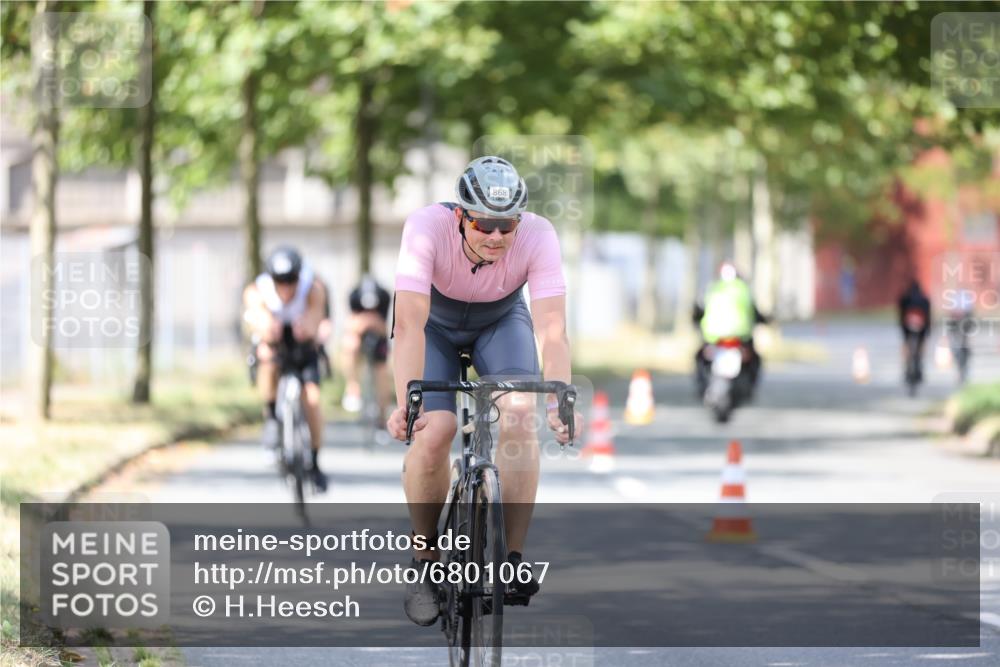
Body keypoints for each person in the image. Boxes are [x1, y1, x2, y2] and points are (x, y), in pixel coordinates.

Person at [387, 156, 581, 626]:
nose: (495, 236)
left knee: (518, 414)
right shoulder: (425, 228)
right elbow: (409, 324)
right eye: (483, 224)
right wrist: (408, 401)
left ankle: (511, 558)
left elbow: (552, 329)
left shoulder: (539, 234)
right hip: (433, 327)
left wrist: (559, 400)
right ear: (460, 215)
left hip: (500, 321)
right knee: (436, 430)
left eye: (506, 225)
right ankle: (425, 561)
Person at [242, 246, 328, 492]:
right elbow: (257, 315)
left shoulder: (313, 288)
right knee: (266, 356)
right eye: (280, 281)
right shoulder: (257, 291)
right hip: (274, 341)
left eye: (291, 281)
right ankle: (271, 416)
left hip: (303, 343)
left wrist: (308, 327)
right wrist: (267, 327)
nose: (287, 287)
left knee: (313, 399)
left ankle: (314, 461)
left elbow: (316, 318)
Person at [693, 261, 767, 395]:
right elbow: (754, 312)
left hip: (713, 336)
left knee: (700, 358)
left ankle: (702, 387)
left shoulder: (713, 288)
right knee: (754, 359)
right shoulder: (743, 289)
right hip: (740, 335)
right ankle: (750, 388)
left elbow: (699, 311)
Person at [340, 274, 393, 417]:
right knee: (350, 343)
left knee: (382, 371)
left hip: (379, 338)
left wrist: (364, 322)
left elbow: (383, 327)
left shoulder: (384, 297)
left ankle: (383, 414)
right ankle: (352, 387)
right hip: (359, 336)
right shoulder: (354, 296)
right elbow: (351, 325)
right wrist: (368, 322)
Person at [898, 278, 931, 382]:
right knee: (921, 343)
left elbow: (901, 313)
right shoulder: (924, 299)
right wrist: (928, 329)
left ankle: (907, 363)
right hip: (921, 325)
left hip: (907, 325)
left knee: (906, 343)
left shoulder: (905, 298)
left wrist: (902, 327)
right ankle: (918, 360)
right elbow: (928, 316)